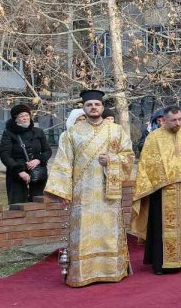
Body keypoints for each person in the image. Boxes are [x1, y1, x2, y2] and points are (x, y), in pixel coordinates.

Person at [45, 89, 134, 287]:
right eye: (89, 105)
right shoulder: (72, 133)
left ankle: (112, 270)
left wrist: (111, 159)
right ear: (83, 108)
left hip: (107, 193)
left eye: (97, 104)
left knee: (109, 230)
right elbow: (63, 162)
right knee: (83, 232)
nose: (93, 107)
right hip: (82, 194)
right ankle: (83, 274)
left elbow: (128, 157)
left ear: (102, 107)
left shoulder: (116, 130)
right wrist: (62, 192)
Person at [131, 106, 181, 275]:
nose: (177, 123)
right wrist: (160, 179)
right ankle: (160, 263)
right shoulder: (154, 138)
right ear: (164, 120)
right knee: (161, 227)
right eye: (173, 120)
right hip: (162, 191)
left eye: (180, 119)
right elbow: (146, 164)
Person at [0, 104, 52, 206]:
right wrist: (19, 171)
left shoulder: (38, 132)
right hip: (17, 175)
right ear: (15, 119)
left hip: (37, 174)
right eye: (21, 116)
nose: (25, 118)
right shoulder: (9, 133)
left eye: (26, 115)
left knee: (38, 205)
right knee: (18, 206)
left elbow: (47, 151)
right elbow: (5, 155)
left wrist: (38, 160)